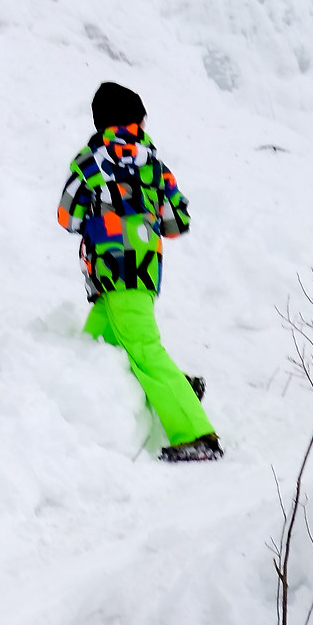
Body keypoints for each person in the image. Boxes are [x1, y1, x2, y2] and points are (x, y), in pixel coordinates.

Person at [57, 80, 221, 461]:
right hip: (144, 271)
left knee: (144, 349)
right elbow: (178, 221)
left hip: (112, 270)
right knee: (94, 346)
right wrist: (144, 215)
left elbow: (67, 215)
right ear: (138, 121)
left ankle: (197, 434)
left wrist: (105, 217)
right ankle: (176, 387)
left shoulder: (89, 162)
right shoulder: (155, 165)